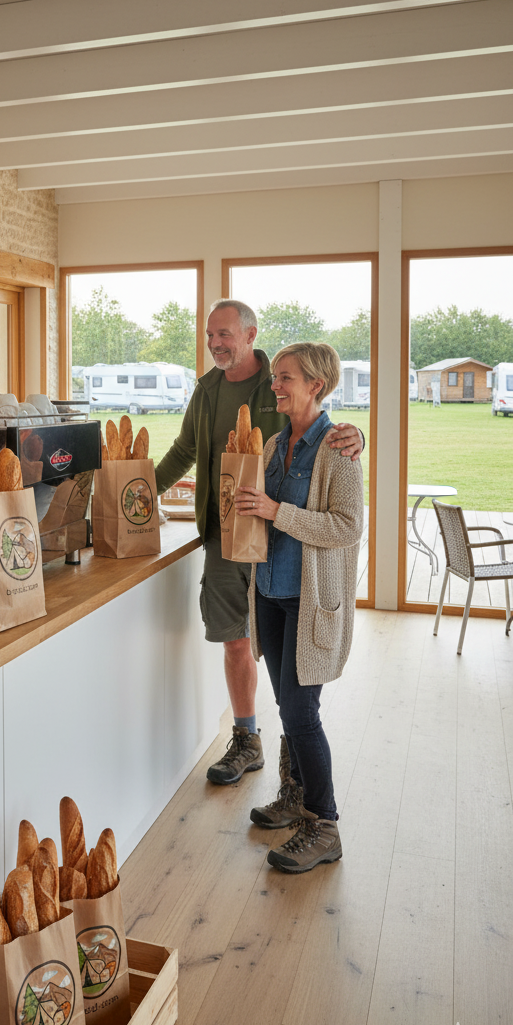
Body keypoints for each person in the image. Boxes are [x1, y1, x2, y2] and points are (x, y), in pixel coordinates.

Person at [154, 300, 363, 787]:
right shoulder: (206, 390)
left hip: (284, 545)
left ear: (249, 335)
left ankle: (298, 772)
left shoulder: (283, 379)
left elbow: (320, 439)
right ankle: (247, 740)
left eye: (224, 334)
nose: (215, 344)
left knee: (291, 665)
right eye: (209, 335)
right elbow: (185, 449)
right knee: (236, 638)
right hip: (225, 535)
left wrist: (356, 438)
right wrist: (138, 493)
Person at [235, 342, 363, 873]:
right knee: (288, 705)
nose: (276, 385)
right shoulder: (272, 446)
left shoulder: (338, 448)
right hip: (270, 595)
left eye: (285, 378)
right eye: (276, 378)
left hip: (311, 604)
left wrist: (276, 510)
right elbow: (259, 513)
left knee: (299, 713)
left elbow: (347, 527)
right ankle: (292, 795)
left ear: (317, 384)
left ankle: (324, 823)